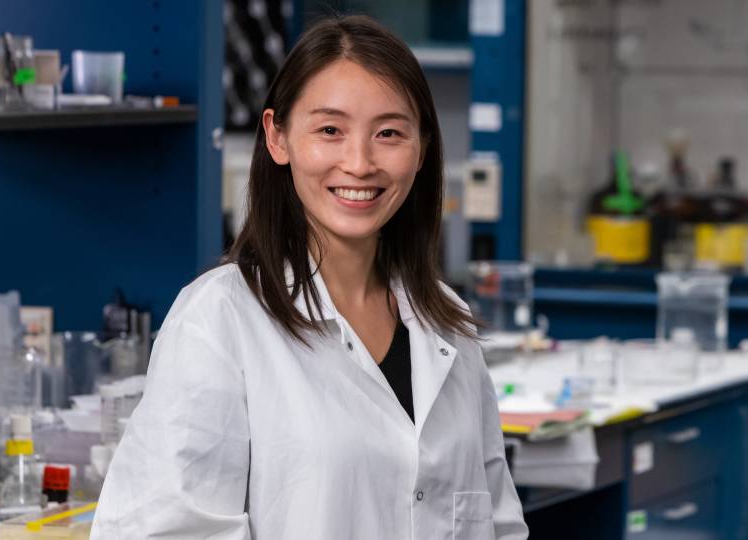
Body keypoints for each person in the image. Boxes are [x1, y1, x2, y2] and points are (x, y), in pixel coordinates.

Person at [91, 15, 528, 540]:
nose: (360, 163)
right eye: (330, 131)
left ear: (423, 149)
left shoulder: (446, 321)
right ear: (278, 138)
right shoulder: (220, 320)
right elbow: (166, 531)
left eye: (389, 133)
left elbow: (498, 525)